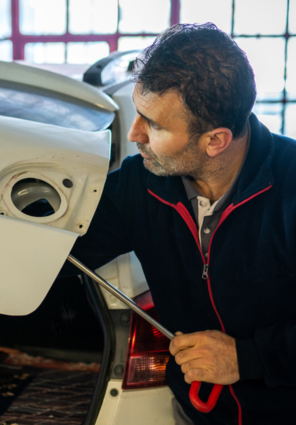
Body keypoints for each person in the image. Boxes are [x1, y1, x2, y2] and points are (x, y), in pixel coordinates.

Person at [65, 23, 296, 424]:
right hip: (194, 414)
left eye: (154, 125)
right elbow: (63, 247)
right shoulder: (139, 184)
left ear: (215, 141)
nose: (135, 134)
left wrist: (248, 357)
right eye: (138, 113)